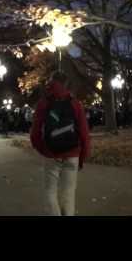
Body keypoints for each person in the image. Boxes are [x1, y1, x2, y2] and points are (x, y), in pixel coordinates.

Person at [30, 71, 90, 216]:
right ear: (66, 85)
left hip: (51, 154)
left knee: (50, 191)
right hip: (72, 154)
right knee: (69, 194)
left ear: (51, 83)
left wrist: (44, 149)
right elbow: (84, 133)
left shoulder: (43, 103)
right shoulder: (75, 104)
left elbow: (35, 133)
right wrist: (82, 157)